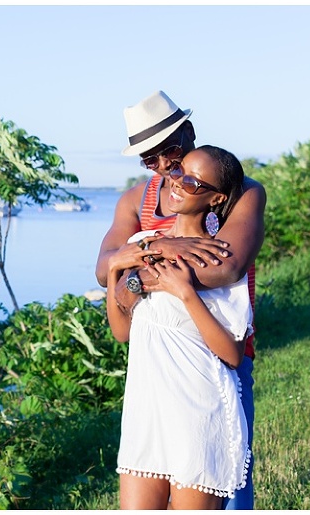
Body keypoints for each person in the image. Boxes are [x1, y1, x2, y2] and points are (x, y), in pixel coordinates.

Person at [96, 91, 266, 510]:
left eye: (168, 150)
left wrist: (144, 266)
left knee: (228, 490)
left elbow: (226, 266)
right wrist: (160, 251)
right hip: (156, 366)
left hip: (214, 354)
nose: (164, 166)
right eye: (149, 159)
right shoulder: (136, 200)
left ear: (188, 132)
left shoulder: (240, 190)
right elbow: (105, 270)